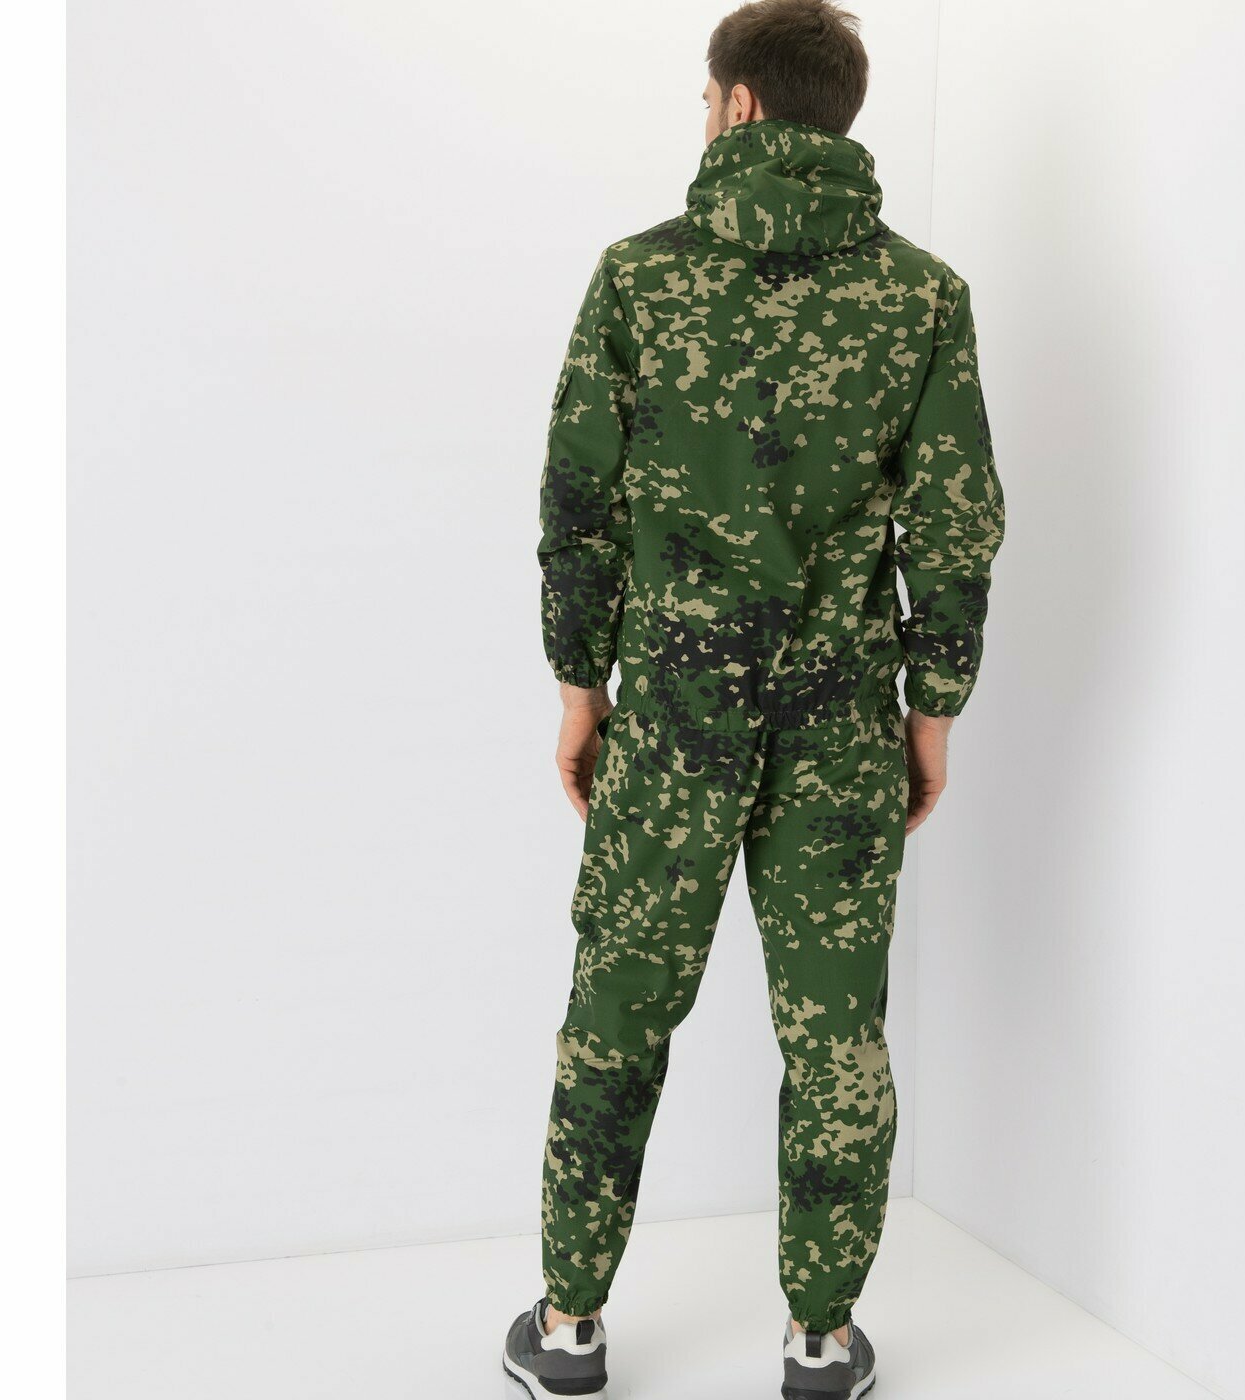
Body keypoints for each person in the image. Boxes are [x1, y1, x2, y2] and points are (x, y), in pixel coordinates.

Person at [502, 2, 1004, 1395]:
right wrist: (931, 715)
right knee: (836, 1037)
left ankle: (569, 1328)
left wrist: (579, 688)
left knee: (618, 1012)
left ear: (737, 105)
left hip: (670, 716)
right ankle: (821, 1340)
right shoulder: (923, 297)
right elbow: (955, 526)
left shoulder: (638, 278)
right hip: (840, 725)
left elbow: (578, 505)